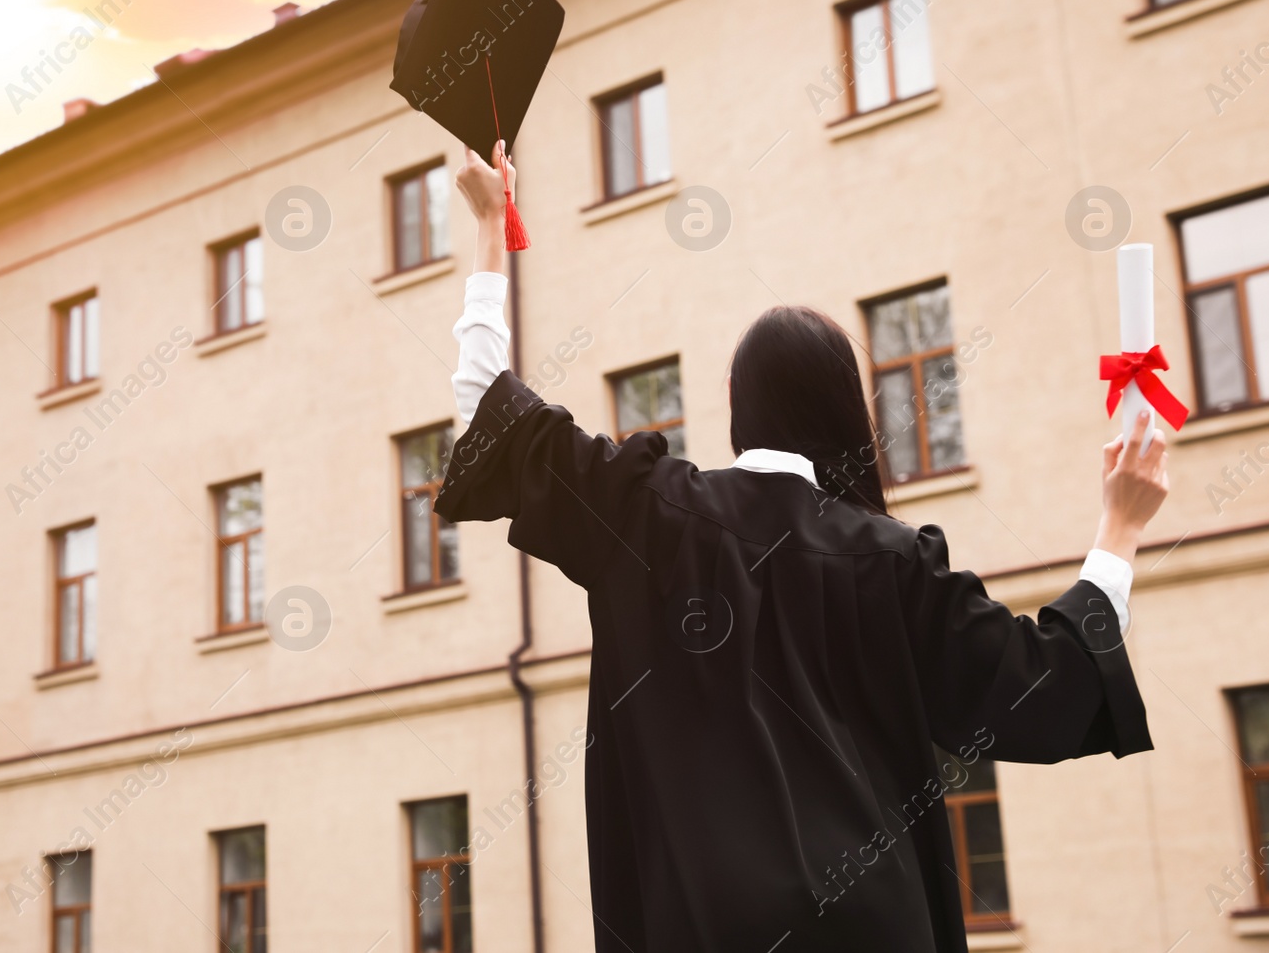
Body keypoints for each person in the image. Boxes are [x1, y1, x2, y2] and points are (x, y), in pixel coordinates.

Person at [435, 143, 1169, 953]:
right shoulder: (896, 564)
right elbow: (1048, 687)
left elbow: (488, 422)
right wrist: (1120, 528)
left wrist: (488, 232)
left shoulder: (646, 515)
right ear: (846, 412)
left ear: (731, 403)